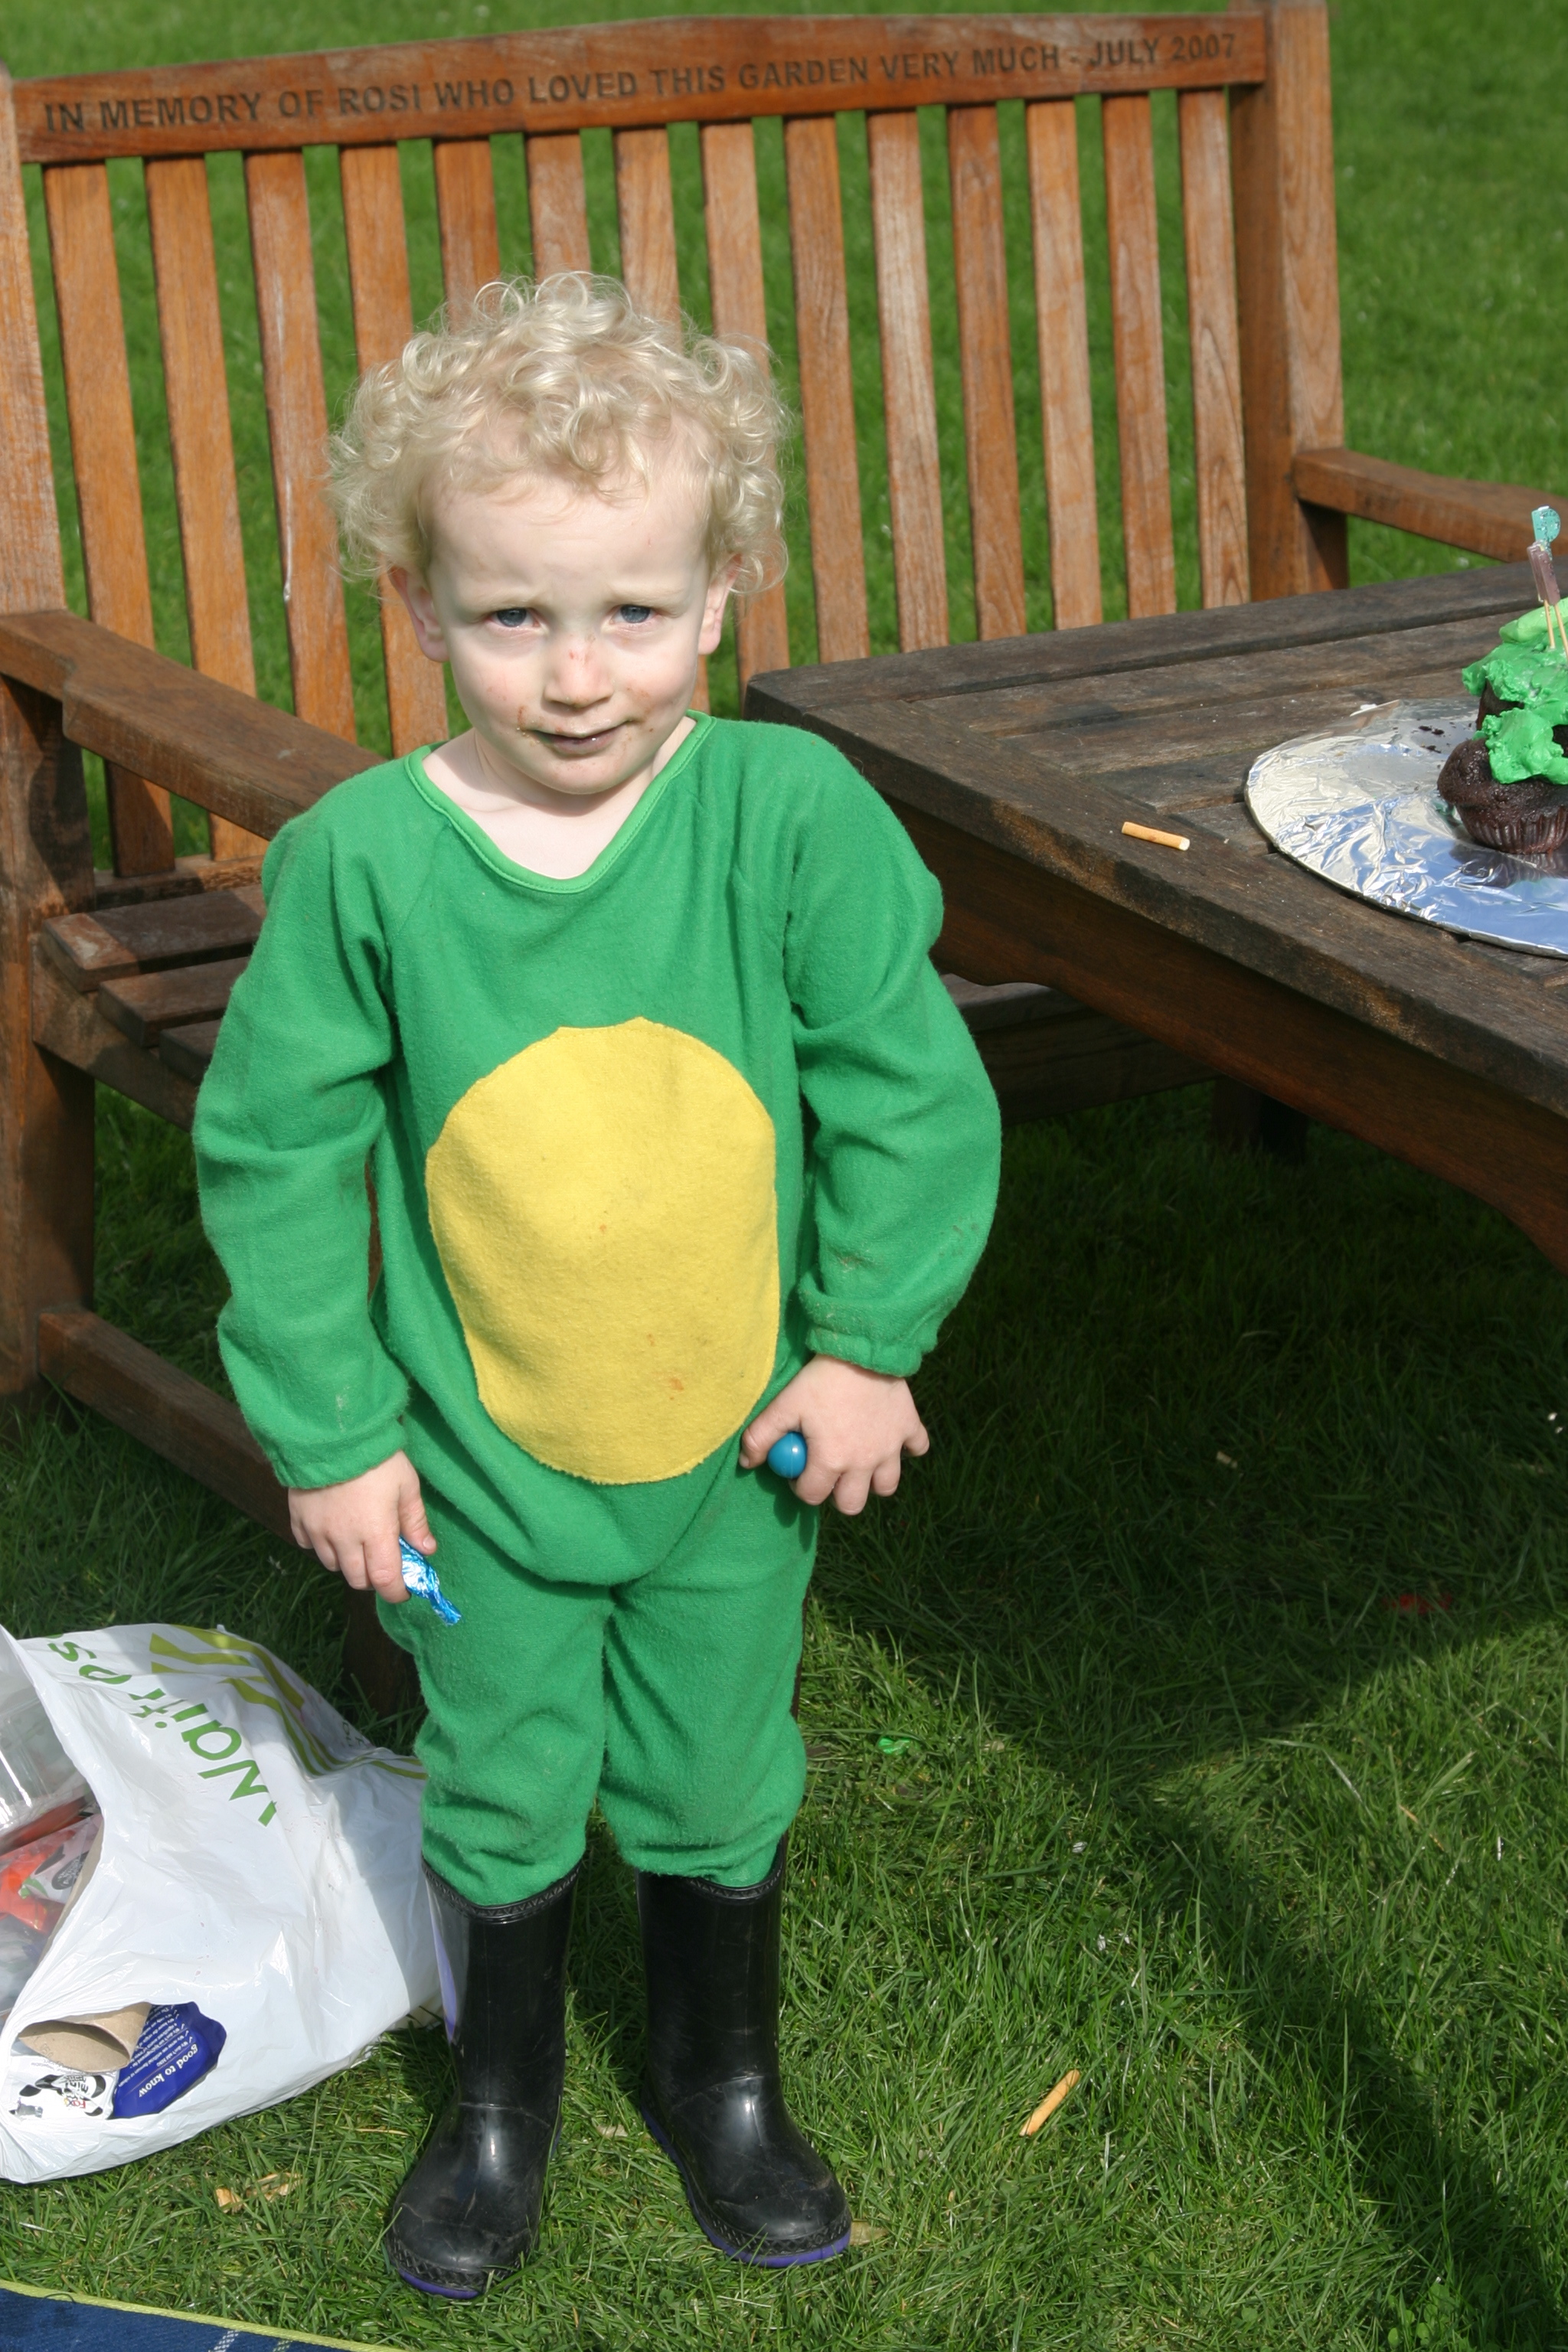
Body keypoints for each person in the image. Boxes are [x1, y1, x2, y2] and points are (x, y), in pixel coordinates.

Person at [194, 273, 1001, 2300]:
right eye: (513, 617)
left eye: (634, 611)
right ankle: (501, 2109)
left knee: (719, 1766)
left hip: (734, 1449)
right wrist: (335, 1433)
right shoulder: (365, 864)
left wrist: (866, 1343)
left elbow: (907, 1088)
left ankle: (726, 2083)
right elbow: (275, 1157)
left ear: (723, 593)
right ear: (418, 604)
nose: (575, 678)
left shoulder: (786, 821)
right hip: (478, 1472)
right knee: (504, 1767)